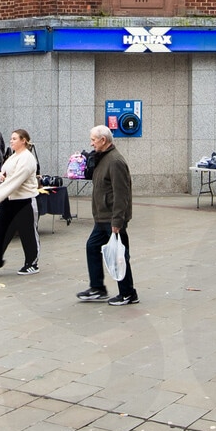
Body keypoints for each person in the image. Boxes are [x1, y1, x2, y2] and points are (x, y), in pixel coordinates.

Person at [76, 125, 136, 305]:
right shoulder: (102, 158)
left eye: (93, 139)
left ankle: (128, 293)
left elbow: (121, 193)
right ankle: (98, 288)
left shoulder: (115, 161)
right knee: (92, 247)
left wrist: (118, 220)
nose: (91, 143)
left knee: (119, 255)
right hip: (102, 217)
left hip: (112, 218)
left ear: (103, 140)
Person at [0, 128, 42, 276]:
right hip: (9, 200)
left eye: (14, 138)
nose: (11, 141)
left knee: (28, 233)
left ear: (23, 140)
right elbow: (2, 174)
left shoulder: (28, 158)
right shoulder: (12, 157)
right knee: (1, 231)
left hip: (24, 201)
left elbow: (16, 180)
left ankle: (32, 263)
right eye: (11, 138)